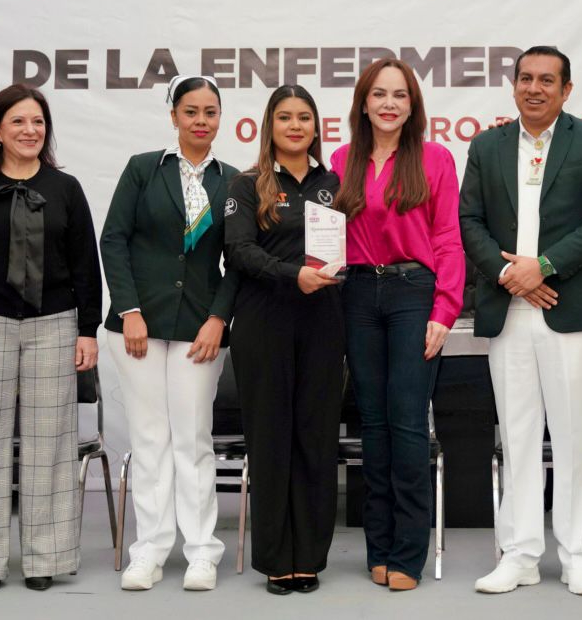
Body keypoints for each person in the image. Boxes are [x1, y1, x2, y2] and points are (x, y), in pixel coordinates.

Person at [461, 46, 582, 596]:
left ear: (567, 89)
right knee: (519, 435)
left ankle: (578, 556)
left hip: (570, 309)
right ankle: (521, 555)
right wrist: (511, 277)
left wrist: (544, 267)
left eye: (547, 80)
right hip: (509, 309)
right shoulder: (487, 146)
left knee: (574, 435)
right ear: (513, 85)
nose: (535, 88)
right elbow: (470, 219)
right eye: (525, 78)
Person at [0, 84, 102, 594]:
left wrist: (88, 330)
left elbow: (84, 265)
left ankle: (43, 558)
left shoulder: (66, 188)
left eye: (38, 122)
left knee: (50, 444)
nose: (30, 131)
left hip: (54, 322)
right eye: (18, 123)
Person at [100, 75, 239, 592]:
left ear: (220, 118)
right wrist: (129, 309)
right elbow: (113, 240)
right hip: (137, 326)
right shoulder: (143, 169)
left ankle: (202, 550)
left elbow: (239, 261)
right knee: (150, 438)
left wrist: (218, 318)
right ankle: (149, 551)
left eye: (210, 112)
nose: (201, 121)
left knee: (193, 440)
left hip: (199, 329)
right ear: (173, 116)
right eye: (191, 111)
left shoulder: (233, 181)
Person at [332, 58, 464, 591]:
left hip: (414, 293)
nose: (389, 104)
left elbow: (448, 240)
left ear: (413, 106)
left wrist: (444, 309)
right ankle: (378, 547)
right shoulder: (341, 159)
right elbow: (327, 236)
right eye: (379, 94)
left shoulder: (434, 159)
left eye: (400, 95)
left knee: (408, 423)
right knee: (374, 425)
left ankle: (409, 552)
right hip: (358, 293)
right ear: (364, 103)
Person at [224, 85, 344, 595]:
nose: (295, 126)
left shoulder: (333, 181)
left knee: (315, 438)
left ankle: (310, 556)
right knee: (271, 439)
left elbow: (340, 247)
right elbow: (238, 251)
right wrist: (291, 274)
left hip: (322, 321)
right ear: (267, 125)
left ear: (317, 127)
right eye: (284, 117)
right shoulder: (246, 183)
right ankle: (276, 556)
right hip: (264, 320)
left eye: (304, 118)